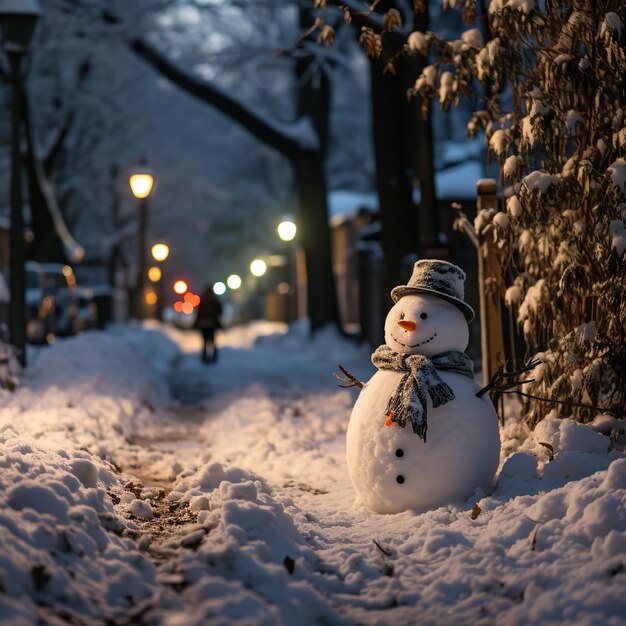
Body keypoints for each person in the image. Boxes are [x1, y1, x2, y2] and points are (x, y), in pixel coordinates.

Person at [194, 284, 223, 363]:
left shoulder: (202, 301)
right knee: (213, 342)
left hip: (203, 324)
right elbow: (220, 311)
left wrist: (196, 323)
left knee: (204, 342)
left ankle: (204, 358)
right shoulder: (215, 300)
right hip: (212, 324)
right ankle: (213, 358)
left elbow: (198, 313)